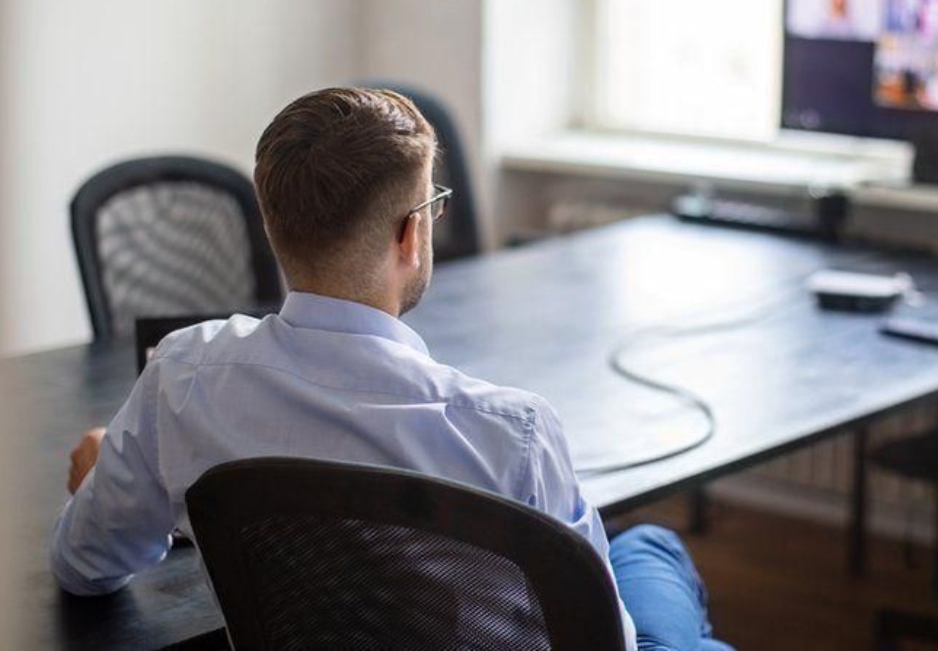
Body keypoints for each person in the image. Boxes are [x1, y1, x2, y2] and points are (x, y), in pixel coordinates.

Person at [50, 88, 732, 651]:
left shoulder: (184, 378)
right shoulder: (511, 433)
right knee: (648, 549)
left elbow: (82, 569)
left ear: (272, 226)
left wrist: (107, 481)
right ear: (411, 233)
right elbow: (603, 641)